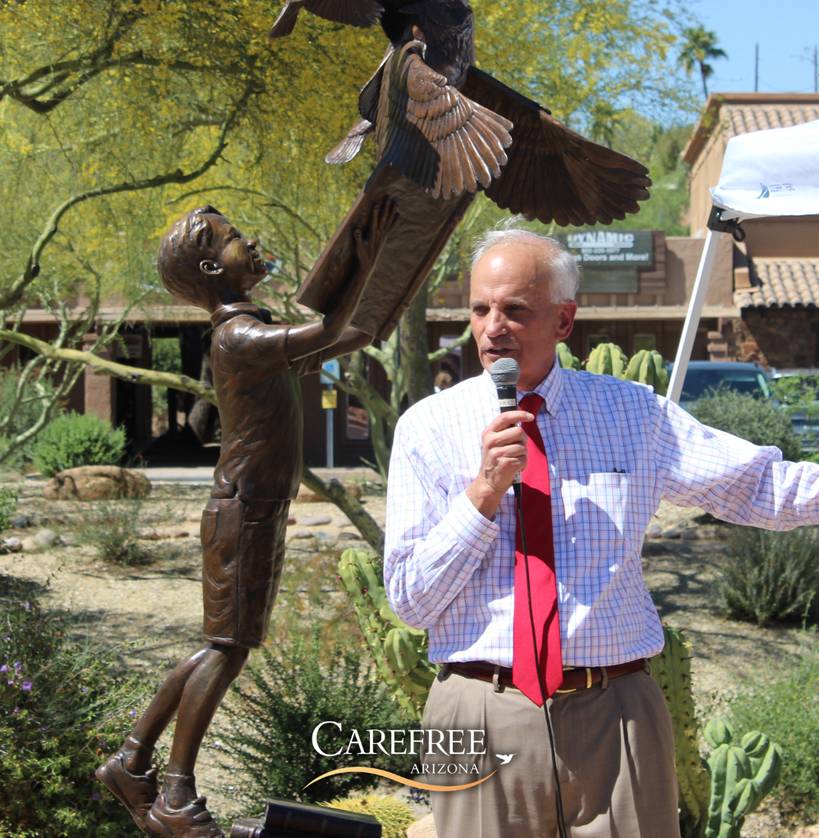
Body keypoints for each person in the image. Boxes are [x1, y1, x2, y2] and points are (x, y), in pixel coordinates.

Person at [384, 226, 819, 838]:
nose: (491, 328)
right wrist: (482, 495)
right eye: (480, 309)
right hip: (481, 709)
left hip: (616, 712)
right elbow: (409, 599)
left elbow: (757, 486)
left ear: (564, 320)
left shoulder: (634, 413)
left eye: (515, 309)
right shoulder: (426, 428)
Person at [97, 201, 394, 838]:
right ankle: (172, 793)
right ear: (212, 266)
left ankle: (132, 760)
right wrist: (363, 267)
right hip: (245, 512)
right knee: (226, 651)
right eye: (235, 239)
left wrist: (376, 297)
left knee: (222, 647)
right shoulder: (236, 336)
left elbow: (336, 337)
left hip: (257, 509)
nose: (250, 242)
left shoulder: (253, 335)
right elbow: (320, 333)